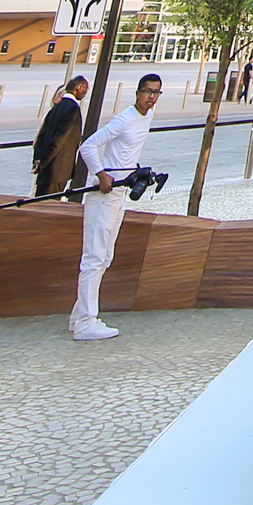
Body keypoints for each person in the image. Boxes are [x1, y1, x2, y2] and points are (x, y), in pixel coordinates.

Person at [70, 74, 162, 342]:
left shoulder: (147, 118)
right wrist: (101, 175)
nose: (152, 97)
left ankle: (78, 316)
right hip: (104, 195)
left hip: (120, 193)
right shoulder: (125, 119)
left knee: (105, 257)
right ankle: (87, 322)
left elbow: (126, 155)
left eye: (156, 92)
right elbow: (88, 146)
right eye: (147, 91)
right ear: (137, 92)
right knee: (94, 257)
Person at [33, 74, 88, 199]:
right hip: (58, 169)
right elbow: (60, 138)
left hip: (45, 170)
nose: (85, 93)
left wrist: (38, 160)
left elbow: (41, 137)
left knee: (39, 203)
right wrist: (45, 161)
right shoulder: (73, 109)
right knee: (50, 206)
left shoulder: (55, 108)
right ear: (80, 87)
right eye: (86, 89)